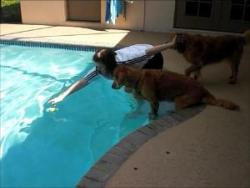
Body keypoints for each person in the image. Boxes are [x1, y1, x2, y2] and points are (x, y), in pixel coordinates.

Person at [48, 39, 176, 105]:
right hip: (136, 56)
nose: (97, 69)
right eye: (96, 66)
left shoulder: (127, 60)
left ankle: (140, 107)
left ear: (108, 65)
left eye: (99, 66)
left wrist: (170, 44)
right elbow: (83, 81)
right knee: (128, 88)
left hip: (152, 58)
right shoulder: (100, 68)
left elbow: (149, 52)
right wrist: (62, 96)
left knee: (142, 88)